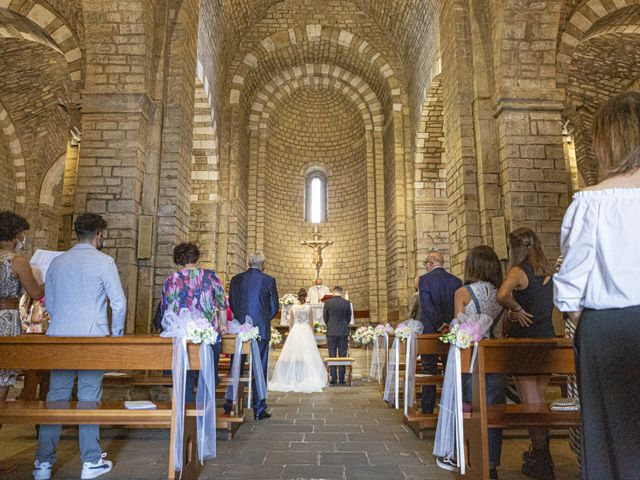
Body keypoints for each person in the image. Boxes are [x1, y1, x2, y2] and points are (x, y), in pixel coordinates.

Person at [554, 92, 640, 480]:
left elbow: (570, 286)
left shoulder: (591, 202)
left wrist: (586, 326)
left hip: (607, 332)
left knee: (611, 440)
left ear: (606, 140)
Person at [33, 213, 126, 480]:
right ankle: (91, 460)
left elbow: (48, 301)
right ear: (99, 235)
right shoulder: (104, 261)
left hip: (59, 337)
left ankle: (43, 462)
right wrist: (116, 337)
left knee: (56, 396)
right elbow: (118, 303)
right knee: (89, 397)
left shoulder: (58, 262)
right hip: (91, 338)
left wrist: (61, 321)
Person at [435, 246, 506, 479]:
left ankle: (467, 457)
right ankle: (491, 463)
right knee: (493, 410)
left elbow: (458, 326)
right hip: (495, 357)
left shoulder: (462, 293)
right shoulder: (502, 293)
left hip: (470, 358)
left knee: (469, 406)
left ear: (472, 266)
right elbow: (504, 328)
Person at [496, 227, 555, 480]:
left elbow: (501, 295)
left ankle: (542, 461)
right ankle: (540, 454)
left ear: (515, 248)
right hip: (547, 338)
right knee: (538, 400)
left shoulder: (518, 271)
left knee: (531, 404)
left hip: (526, 343)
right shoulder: (548, 270)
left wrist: (516, 308)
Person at [0, 211, 44, 474]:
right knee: (2, 384)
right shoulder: (17, 262)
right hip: (5, 321)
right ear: (16, 236)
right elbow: (36, 293)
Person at [160, 243, 228, 401]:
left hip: (182, 336)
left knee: (185, 376)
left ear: (178, 258)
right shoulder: (210, 276)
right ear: (196, 257)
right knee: (207, 376)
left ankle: (187, 414)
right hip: (207, 335)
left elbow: (166, 310)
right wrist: (223, 325)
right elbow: (222, 303)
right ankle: (205, 414)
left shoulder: (171, 280)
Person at [225, 252, 278, 420]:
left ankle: (230, 404)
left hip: (239, 328)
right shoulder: (269, 280)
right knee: (259, 367)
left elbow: (232, 304)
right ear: (263, 264)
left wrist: (243, 321)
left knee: (236, 366)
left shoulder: (236, 279)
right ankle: (259, 408)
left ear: (249, 263)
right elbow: (274, 307)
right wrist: (262, 319)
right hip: (260, 330)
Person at [418, 251, 462, 413]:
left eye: (425, 263)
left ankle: (427, 409)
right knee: (449, 368)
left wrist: (438, 325)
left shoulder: (424, 280)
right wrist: (447, 325)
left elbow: (427, 306)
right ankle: (449, 408)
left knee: (428, 369)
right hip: (451, 331)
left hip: (430, 332)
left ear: (430, 262)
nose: (426, 267)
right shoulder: (456, 281)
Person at [269, 288, 327, 392]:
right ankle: (305, 376)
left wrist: (291, 334)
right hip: (306, 331)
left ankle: (293, 377)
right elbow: (310, 322)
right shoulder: (309, 307)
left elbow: (291, 323)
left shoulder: (293, 307)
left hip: (295, 331)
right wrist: (312, 335)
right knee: (307, 354)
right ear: (305, 297)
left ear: (298, 297)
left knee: (294, 354)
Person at [323, 286, 351, 385]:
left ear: (333, 292)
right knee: (343, 354)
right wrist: (344, 325)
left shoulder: (328, 302)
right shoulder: (346, 303)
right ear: (341, 292)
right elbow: (348, 317)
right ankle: (342, 379)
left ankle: (333, 378)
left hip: (331, 331)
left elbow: (325, 317)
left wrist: (330, 324)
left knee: (332, 354)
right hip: (343, 331)